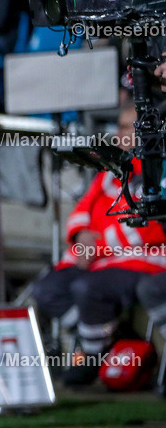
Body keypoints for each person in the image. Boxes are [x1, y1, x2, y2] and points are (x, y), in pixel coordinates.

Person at [31, 103, 166, 386]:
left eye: (129, 127)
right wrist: (81, 240)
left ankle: (94, 355)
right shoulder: (114, 167)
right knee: (47, 290)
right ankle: (106, 335)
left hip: (142, 259)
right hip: (101, 257)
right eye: (120, 126)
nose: (120, 133)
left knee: (86, 288)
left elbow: (148, 230)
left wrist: (97, 246)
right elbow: (83, 210)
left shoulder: (155, 172)